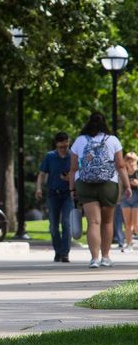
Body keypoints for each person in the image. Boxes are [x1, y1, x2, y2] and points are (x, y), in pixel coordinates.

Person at [68, 112, 130, 268]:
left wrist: (72, 188)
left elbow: (74, 168)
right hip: (108, 184)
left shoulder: (80, 141)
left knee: (93, 222)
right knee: (107, 222)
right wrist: (127, 186)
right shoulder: (113, 140)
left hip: (85, 184)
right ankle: (106, 257)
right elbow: (121, 165)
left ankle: (94, 258)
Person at [35, 132, 73, 262]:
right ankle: (58, 251)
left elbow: (79, 174)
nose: (64, 149)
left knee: (67, 223)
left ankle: (65, 253)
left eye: (66, 146)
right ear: (56, 145)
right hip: (53, 194)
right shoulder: (50, 156)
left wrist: (69, 179)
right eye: (61, 147)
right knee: (53, 225)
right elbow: (41, 174)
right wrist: (39, 188)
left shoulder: (73, 156)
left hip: (68, 194)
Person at [120, 152, 138, 253]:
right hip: (125, 198)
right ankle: (129, 244)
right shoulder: (123, 172)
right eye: (128, 160)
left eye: (133, 160)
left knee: (136, 224)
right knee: (127, 224)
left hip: (137, 198)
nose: (131, 163)